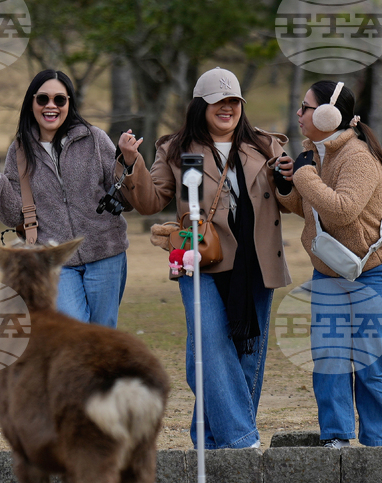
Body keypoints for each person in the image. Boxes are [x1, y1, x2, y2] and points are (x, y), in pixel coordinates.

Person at [120, 67, 291, 450]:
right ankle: (241, 441)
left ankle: (210, 443)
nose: (227, 108)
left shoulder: (266, 145)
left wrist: (290, 180)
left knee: (247, 357)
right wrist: (132, 163)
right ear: (201, 106)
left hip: (256, 263)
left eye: (234, 102)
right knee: (212, 348)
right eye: (219, 102)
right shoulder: (176, 148)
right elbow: (149, 201)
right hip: (202, 260)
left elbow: (289, 201)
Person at [275, 80, 382, 449]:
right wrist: (287, 185)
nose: (298, 114)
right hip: (332, 271)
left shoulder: (357, 157)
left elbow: (343, 210)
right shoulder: (316, 154)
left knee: (370, 362)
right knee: (329, 358)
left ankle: (377, 448)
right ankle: (336, 440)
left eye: (306, 107)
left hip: (377, 270)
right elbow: (312, 211)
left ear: (330, 116)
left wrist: (303, 176)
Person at [0, 69, 130, 328]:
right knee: (73, 330)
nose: (50, 106)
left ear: (69, 103)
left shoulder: (95, 139)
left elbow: (124, 195)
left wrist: (129, 163)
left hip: (106, 253)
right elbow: (13, 214)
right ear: (31, 103)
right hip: (54, 259)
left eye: (59, 100)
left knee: (102, 331)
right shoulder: (19, 150)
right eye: (42, 99)